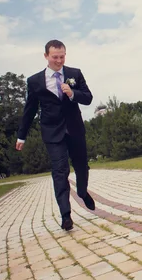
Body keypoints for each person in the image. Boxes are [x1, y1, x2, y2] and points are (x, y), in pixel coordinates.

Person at [16, 40, 95, 230]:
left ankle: (83, 192)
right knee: (60, 171)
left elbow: (88, 98)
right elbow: (30, 109)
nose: (59, 60)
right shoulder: (35, 81)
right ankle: (65, 215)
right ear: (46, 56)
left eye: (62, 56)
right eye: (55, 57)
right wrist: (21, 136)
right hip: (52, 132)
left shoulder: (75, 74)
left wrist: (72, 93)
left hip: (74, 129)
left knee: (81, 165)